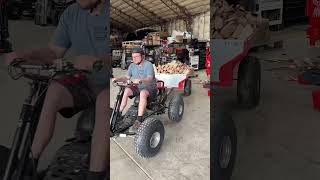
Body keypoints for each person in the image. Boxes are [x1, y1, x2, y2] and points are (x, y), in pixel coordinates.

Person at [3, 0, 109, 179]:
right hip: (85, 80)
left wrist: (100, 60)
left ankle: (95, 175)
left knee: (105, 102)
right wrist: (25, 55)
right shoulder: (71, 13)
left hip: (112, 82)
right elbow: (53, 51)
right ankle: (28, 165)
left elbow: (127, 52)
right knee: (52, 91)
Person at [112, 47, 157, 132]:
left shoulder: (148, 64)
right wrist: (117, 78)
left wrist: (141, 80)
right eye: (133, 57)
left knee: (143, 93)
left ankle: (139, 120)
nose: (134, 59)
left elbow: (150, 78)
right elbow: (126, 77)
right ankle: (119, 113)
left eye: (136, 56)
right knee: (126, 90)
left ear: (142, 56)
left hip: (149, 87)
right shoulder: (132, 65)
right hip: (137, 86)